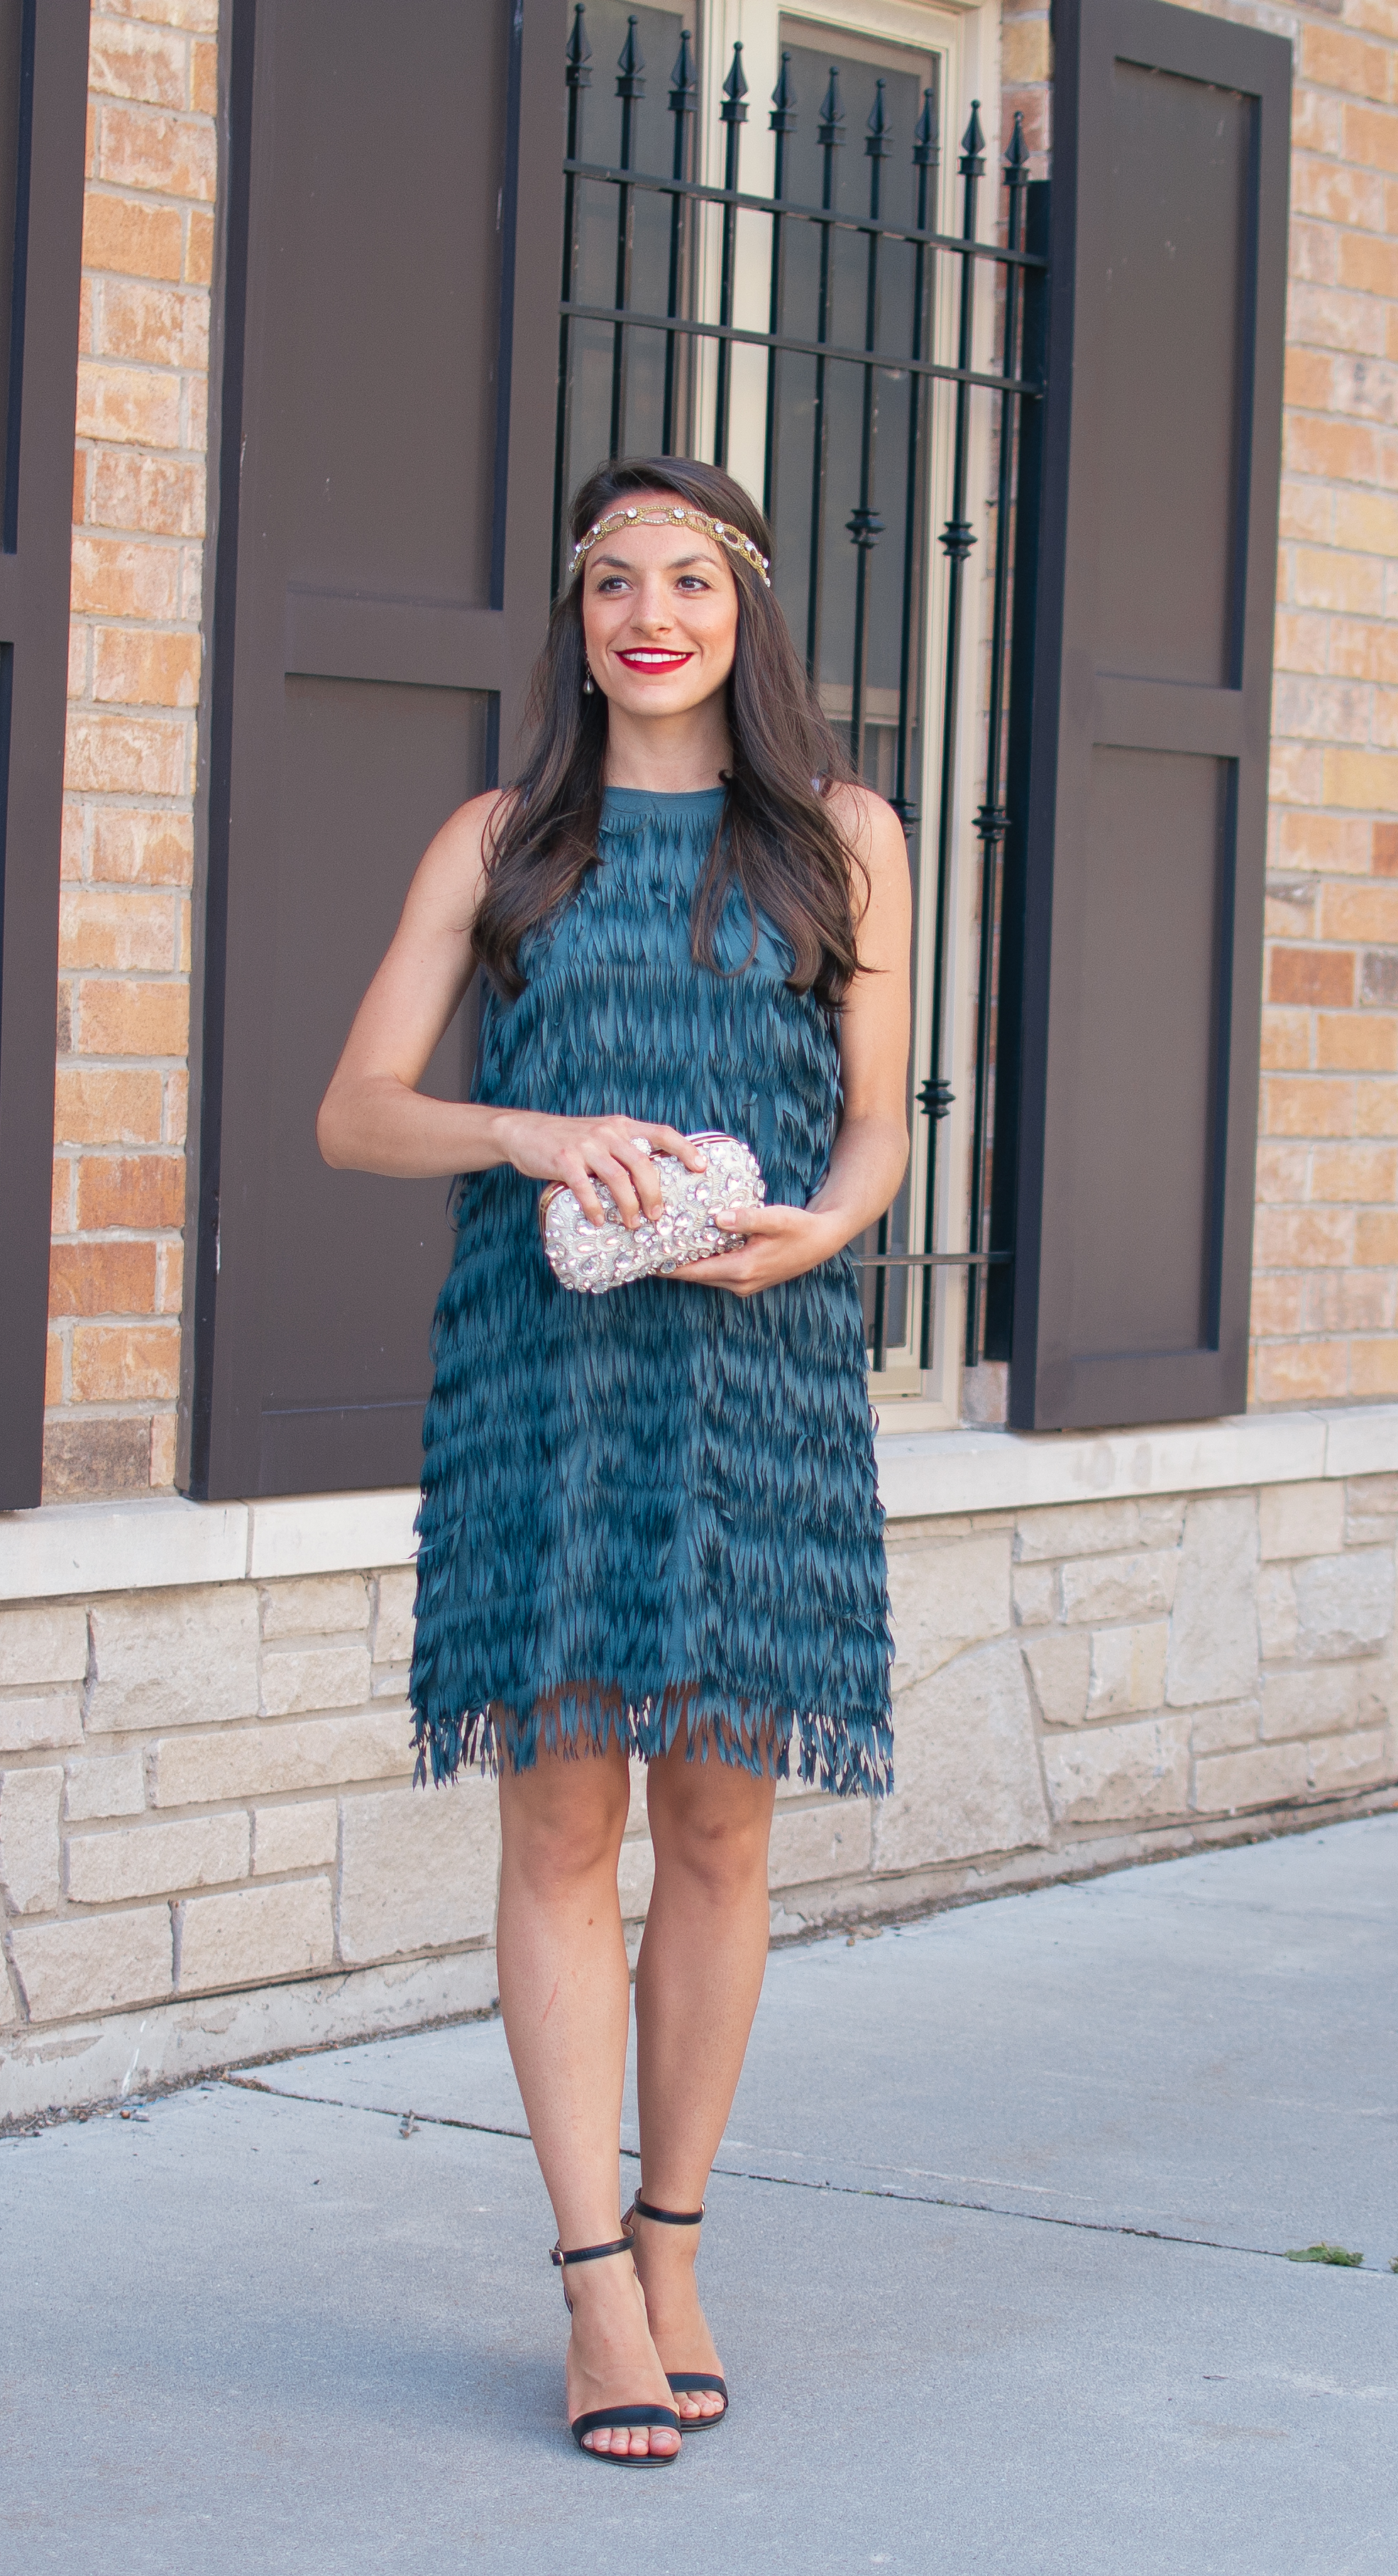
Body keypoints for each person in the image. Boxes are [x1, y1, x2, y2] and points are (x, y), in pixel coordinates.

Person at [317, 458, 907, 2466]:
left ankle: (676, 2246)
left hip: (761, 1378)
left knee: (726, 1836)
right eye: (608, 582)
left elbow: (879, 1127)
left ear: (746, 608)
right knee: (563, 1834)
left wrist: (824, 1233)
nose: (648, 611)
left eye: (687, 576)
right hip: (546, 1384)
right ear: (574, 621)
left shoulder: (845, 840)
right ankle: (588, 2289)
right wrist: (524, 1132)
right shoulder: (500, 842)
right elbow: (355, 1114)